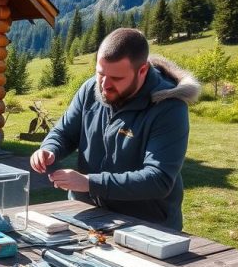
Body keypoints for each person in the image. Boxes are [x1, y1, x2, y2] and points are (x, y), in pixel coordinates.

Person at [30, 28, 199, 231]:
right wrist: (49, 149)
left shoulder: (169, 107)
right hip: (86, 216)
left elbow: (158, 179)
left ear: (142, 71)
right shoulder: (90, 90)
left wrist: (89, 183)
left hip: (145, 227)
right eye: (100, 73)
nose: (104, 85)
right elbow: (64, 133)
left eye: (116, 79)